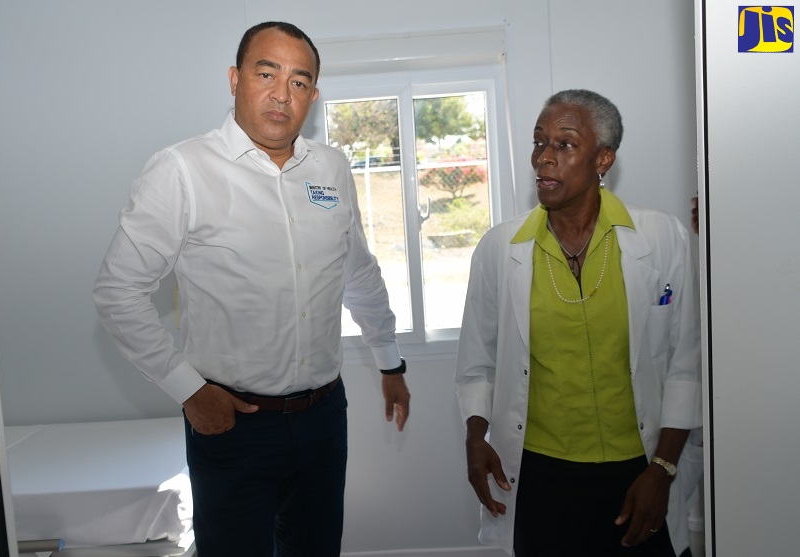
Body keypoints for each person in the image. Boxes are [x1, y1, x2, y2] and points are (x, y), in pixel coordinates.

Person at [93, 21, 410, 556]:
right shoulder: (183, 171)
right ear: (235, 79)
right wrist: (189, 391)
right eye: (267, 73)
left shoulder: (330, 169)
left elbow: (357, 271)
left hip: (324, 419)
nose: (282, 94)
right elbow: (117, 291)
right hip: (232, 423)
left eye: (300, 81)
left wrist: (389, 360)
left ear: (313, 94)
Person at [455, 89, 701, 556]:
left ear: (603, 159)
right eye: (538, 142)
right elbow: (476, 364)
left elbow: (686, 367)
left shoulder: (661, 237)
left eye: (564, 145)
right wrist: (475, 437)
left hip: (640, 470)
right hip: (540, 475)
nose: (543, 158)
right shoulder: (499, 249)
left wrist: (663, 469)